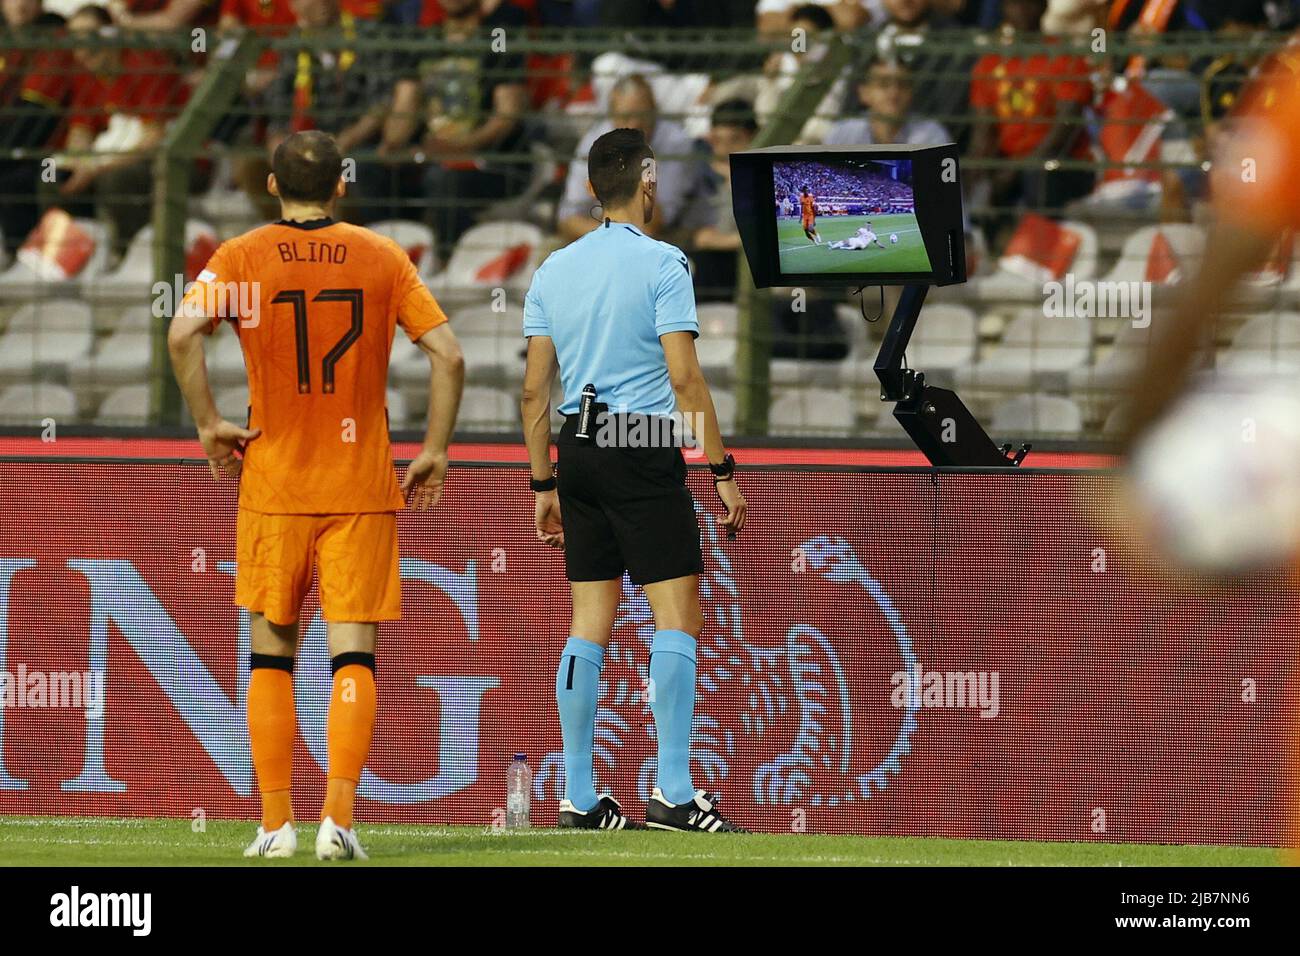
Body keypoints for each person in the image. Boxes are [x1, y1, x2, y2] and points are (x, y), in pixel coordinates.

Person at [167, 130, 465, 860]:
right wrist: (433, 449)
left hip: (273, 482)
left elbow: (182, 334)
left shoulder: (240, 259)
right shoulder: (381, 256)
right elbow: (449, 354)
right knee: (351, 657)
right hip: (360, 485)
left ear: (272, 185)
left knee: (271, 659)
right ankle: (339, 822)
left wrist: (209, 425)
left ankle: (275, 826)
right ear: (341, 185)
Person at [520, 128, 747, 832]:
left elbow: (534, 392)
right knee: (677, 617)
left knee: (589, 624)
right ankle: (675, 792)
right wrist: (721, 469)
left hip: (576, 445)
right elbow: (683, 376)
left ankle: (580, 797)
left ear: (590, 189)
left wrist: (543, 485)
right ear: (649, 185)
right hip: (641, 438)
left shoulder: (553, 268)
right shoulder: (666, 263)